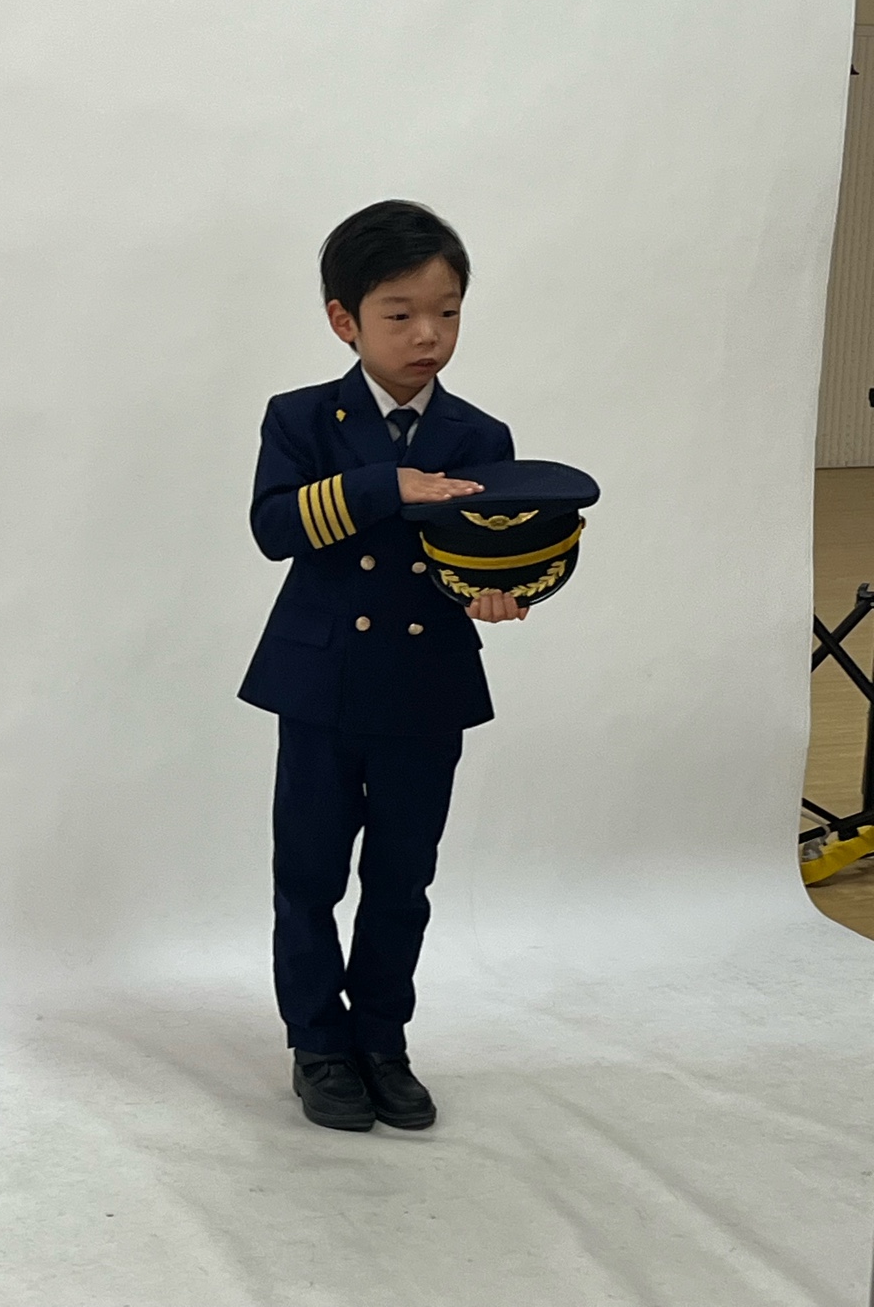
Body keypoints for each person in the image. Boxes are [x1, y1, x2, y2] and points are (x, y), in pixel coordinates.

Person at [238, 199, 527, 1133]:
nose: (427, 335)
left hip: (425, 685)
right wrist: (383, 486)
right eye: (400, 314)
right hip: (319, 684)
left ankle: (382, 1041)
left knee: (403, 879)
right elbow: (274, 528)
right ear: (344, 320)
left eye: (447, 312)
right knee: (309, 875)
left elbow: (484, 555)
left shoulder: (480, 436)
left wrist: (498, 593)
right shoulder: (300, 418)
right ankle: (318, 1043)